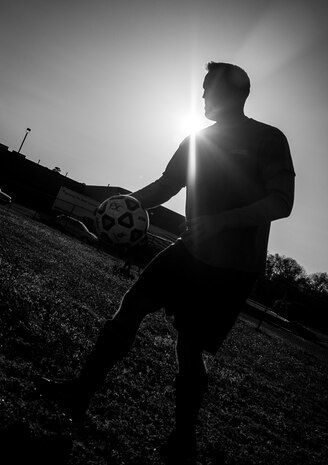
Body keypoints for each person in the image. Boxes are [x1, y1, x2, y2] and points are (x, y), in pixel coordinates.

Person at [36, 62, 295, 463]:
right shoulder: (197, 139)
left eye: (208, 88)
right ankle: (78, 394)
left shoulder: (267, 139)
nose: (203, 96)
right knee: (133, 304)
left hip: (232, 267)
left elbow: (282, 201)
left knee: (188, 347)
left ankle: (182, 440)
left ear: (232, 93)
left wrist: (221, 222)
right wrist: (126, 205)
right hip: (190, 250)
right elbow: (167, 184)